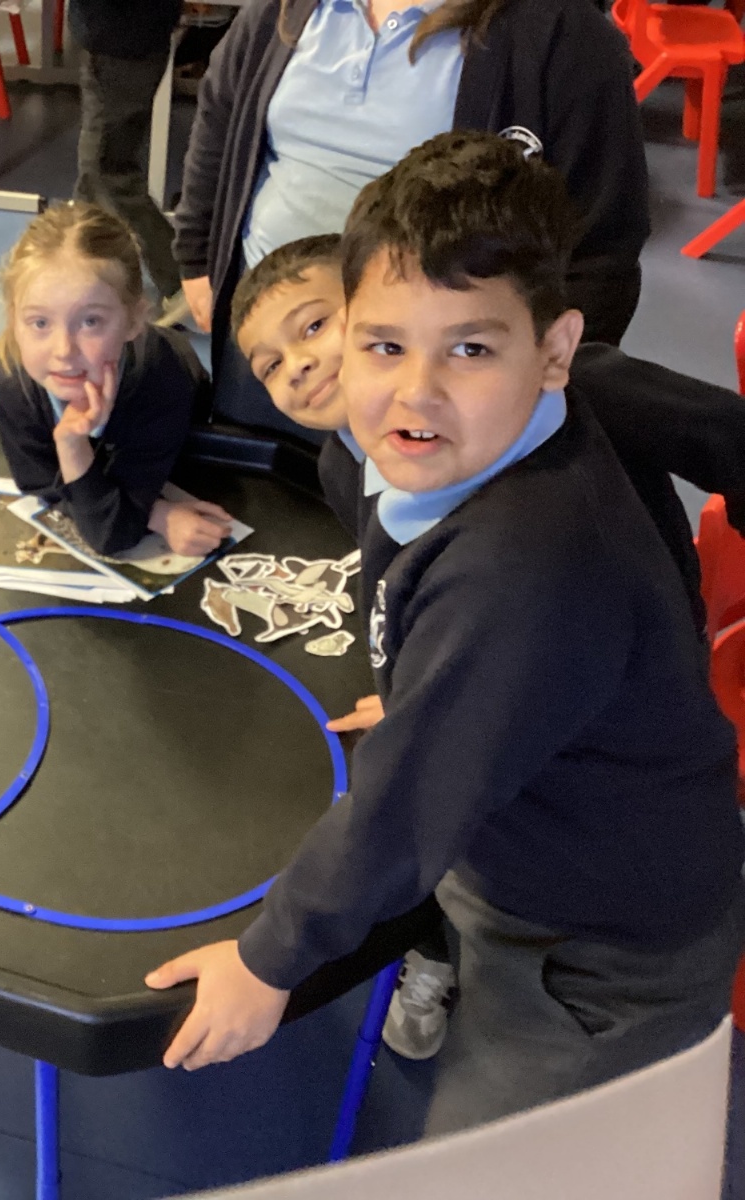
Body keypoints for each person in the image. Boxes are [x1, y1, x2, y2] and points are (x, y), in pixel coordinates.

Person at [147, 131, 745, 1134]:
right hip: (536, 858)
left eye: (469, 348)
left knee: (503, 1164)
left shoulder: (520, 570)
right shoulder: (449, 458)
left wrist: (269, 960)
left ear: (554, 350)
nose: (414, 391)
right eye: (384, 345)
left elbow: (408, 803)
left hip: (597, 956)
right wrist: (439, 683)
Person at [174, 0, 649, 441]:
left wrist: (536, 396)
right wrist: (196, 257)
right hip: (282, 343)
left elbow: (602, 246)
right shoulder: (284, 10)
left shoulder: (561, 34)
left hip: (429, 381)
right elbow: (220, 121)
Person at [0, 201, 232, 557]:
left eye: (90, 322)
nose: (63, 350)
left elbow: (110, 536)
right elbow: (40, 484)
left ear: (134, 321)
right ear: (14, 321)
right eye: (40, 322)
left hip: (179, 453)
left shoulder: (163, 381)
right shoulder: (11, 379)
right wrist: (156, 513)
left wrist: (74, 451)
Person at [66, 0, 185, 315]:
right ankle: (78, 262)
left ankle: (181, 277)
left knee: (106, 171)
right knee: (95, 171)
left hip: (121, 45)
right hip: (129, 40)